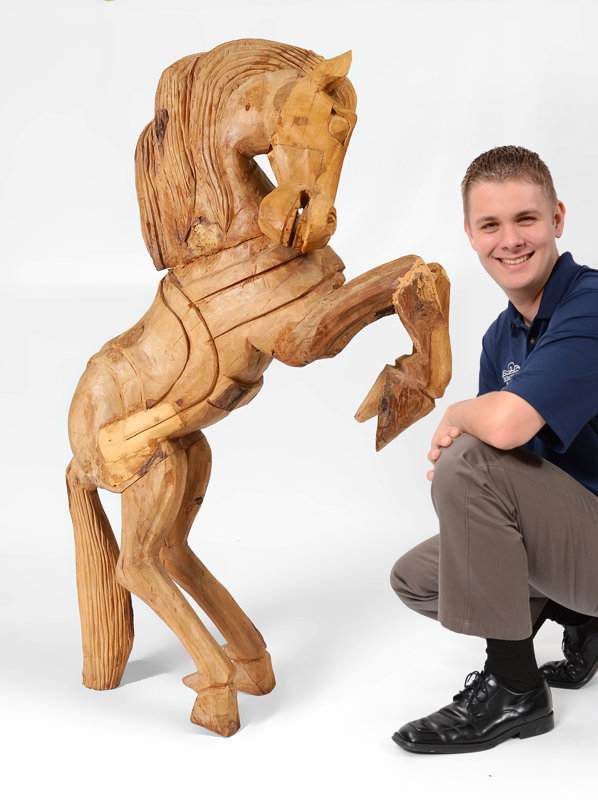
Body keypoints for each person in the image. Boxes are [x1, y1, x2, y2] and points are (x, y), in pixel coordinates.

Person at [390, 145, 598, 754]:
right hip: (574, 534)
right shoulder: (498, 337)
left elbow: (497, 433)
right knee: (417, 579)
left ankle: (514, 690)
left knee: (470, 462)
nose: (509, 240)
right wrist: (467, 474)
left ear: (557, 218)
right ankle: (585, 621)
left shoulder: (590, 303)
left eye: (525, 219)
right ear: (470, 235)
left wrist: (456, 415)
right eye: (490, 225)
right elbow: (502, 465)